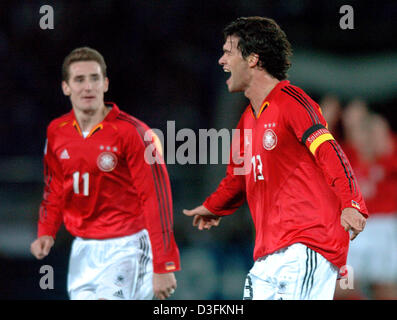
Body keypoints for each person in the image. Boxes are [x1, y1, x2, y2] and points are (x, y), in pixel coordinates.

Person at [183, 17, 368, 300]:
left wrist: (352, 202)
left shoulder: (291, 101)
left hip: (306, 245)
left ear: (254, 59)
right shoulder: (247, 119)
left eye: (229, 52)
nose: (221, 60)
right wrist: (213, 207)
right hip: (268, 255)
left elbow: (329, 150)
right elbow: (237, 179)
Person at [30, 47, 180, 300]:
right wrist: (46, 230)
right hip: (83, 249)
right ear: (66, 87)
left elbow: (157, 199)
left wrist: (165, 263)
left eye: (94, 78)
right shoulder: (57, 132)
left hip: (128, 246)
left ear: (105, 83)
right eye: (79, 80)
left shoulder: (135, 133)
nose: (88, 86)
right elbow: (54, 187)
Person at [339, 111, 397, 299]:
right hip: (353, 229)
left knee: (385, 286)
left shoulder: (390, 158)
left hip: (385, 228)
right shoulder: (346, 154)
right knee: (342, 285)